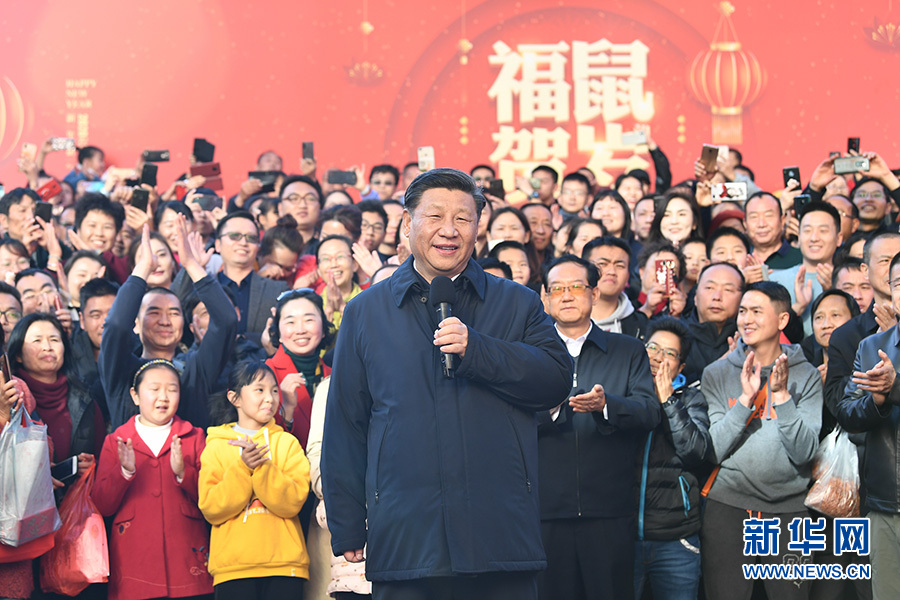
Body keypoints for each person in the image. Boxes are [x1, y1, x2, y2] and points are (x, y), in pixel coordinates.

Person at [322, 168, 571, 599]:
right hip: (407, 538)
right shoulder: (366, 311)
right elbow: (347, 422)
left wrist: (478, 350)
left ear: (479, 228)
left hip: (500, 535)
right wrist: (347, 521)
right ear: (406, 224)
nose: (449, 231)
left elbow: (555, 378)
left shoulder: (517, 302)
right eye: (435, 216)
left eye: (463, 218)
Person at [537, 255, 659, 600]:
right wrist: (552, 410)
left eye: (577, 286)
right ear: (544, 298)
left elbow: (649, 413)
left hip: (609, 510)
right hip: (546, 512)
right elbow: (508, 422)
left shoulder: (628, 350)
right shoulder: (530, 353)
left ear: (593, 293)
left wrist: (608, 405)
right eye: (556, 288)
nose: (567, 295)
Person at [700, 281, 822, 600]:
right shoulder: (717, 372)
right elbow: (711, 449)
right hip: (728, 506)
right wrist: (744, 399)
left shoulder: (805, 374)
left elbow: (805, 452)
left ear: (782, 320)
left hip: (790, 510)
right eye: (742, 311)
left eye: (757, 311)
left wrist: (781, 397)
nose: (746, 319)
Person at [92, 359, 214, 600]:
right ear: (135, 395)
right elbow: (102, 505)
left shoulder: (195, 437)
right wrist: (124, 473)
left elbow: (212, 498)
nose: (164, 397)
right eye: (154, 389)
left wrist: (183, 473)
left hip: (187, 561)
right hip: (135, 562)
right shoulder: (116, 441)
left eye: (172, 389)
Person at [99, 222, 237, 429]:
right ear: (135, 325)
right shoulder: (120, 369)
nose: (165, 321)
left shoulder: (195, 370)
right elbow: (116, 325)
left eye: (174, 313)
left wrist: (191, 265)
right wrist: (143, 269)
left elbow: (226, 320)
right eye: (154, 312)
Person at [199, 360, 311, 599]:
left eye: (273, 390)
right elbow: (212, 508)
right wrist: (242, 468)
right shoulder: (216, 447)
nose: (270, 398)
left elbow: (292, 502)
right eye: (259, 390)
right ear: (234, 398)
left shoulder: (287, 443)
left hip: (285, 564)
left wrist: (261, 467)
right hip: (233, 569)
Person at [837, 251, 900, 600]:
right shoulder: (872, 346)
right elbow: (848, 413)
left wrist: (895, 389)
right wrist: (876, 401)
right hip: (886, 501)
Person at [634, 317, 711, 600]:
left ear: (680, 366)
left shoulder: (691, 399)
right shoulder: (624, 393)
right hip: (623, 532)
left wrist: (667, 400)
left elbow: (696, 451)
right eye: (652, 348)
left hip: (676, 538)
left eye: (669, 353)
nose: (658, 357)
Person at [172, 211, 287, 346]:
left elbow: (281, 334)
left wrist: (238, 338)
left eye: (251, 238)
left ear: (258, 247)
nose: (243, 242)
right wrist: (192, 267)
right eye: (235, 236)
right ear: (218, 245)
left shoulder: (277, 289)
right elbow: (173, 305)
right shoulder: (203, 287)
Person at [7, 313, 104, 471]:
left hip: (75, 493)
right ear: (18, 354)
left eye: (54, 339)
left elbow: (103, 456)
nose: (47, 347)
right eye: (37, 340)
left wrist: (91, 465)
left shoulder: (84, 398)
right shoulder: (10, 397)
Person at [825, 231, 900, 420]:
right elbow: (839, 405)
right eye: (885, 260)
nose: (893, 266)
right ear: (865, 270)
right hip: (875, 443)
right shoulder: (847, 335)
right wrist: (874, 391)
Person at [266, 288, 335, 448]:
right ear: (279, 333)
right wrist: (287, 412)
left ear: (323, 328)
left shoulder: (335, 375)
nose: (300, 330)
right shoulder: (264, 375)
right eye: (290, 322)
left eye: (309, 320)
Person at [769, 201, 843, 334]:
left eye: (823, 231)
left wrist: (835, 292)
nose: (814, 238)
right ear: (799, 235)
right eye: (807, 230)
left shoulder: (849, 282)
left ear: (839, 238)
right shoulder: (774, 281)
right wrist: (798, 307)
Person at [681, 262, 744, 384]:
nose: (717, 297)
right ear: (695, 297)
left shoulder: (747, 340)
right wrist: (720, 366)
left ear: (742, 300)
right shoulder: (677, 338)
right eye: (709, 288)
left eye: (728, 290)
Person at [581, 237, 648, 338]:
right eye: (602, 264)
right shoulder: (564, 317)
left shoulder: (641, 326)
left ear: (628, 276)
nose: (612, 271)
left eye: (620, 266)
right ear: (583, 270)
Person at [742, 192, 802, 270]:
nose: (761, 224)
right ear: (745, 224)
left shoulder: (801, 259)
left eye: (768, 216)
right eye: (754, 217)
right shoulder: (741, 260)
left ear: (782, 221)